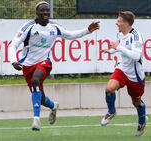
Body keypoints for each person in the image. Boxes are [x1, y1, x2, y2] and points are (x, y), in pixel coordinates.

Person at [9, 1, 99, 131]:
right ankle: (53, 106)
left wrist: (87, 30)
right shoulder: (28, 27)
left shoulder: (54, 26)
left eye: (47, 10)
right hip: (28, 65)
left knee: (35, 81)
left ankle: (36, 120)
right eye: (42, 11)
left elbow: (70, 35)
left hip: (44, 62)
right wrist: (13, 60)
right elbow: (13, 44)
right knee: (41, 98)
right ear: (37, 13)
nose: (45, 13)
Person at [100, 11, 147, 136]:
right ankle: (111, 111)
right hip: (122, 69)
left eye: (119, 21)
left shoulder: (136, 36)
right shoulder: (120, 33)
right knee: (109, 89)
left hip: (135, 75)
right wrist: (110, 51)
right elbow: (120, 46)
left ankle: (142, 121)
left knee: (136, 102)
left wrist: (118, 47)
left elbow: (136, 56)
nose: (117, 23)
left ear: (126, 23)